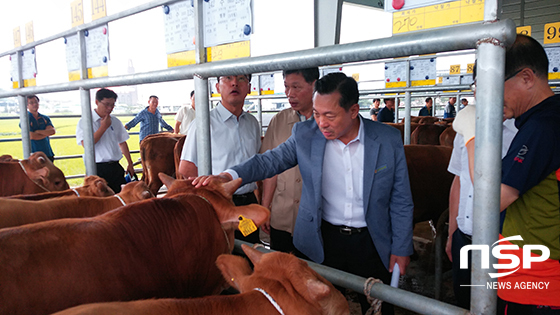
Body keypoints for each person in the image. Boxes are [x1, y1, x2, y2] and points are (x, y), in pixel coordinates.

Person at [192, 73, 414, 315]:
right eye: (317, 114)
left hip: (372, 240)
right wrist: (228, 176)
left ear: (353, 111)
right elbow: (269, 161)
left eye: (329, 115)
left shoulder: (387, 139)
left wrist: (401, 247)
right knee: (314, 307)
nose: (321, 123)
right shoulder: (305, 134)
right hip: (323, 239)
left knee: (379, 305)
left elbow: (401, 199)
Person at [453, 34, 560, 314]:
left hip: (537, 283)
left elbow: (493, 198)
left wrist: (472, 135)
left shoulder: (543, 127)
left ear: (526, 78)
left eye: (492, 87)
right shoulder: (540, 121)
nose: (486, 98)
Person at [178, 74, 262, 244]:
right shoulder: (203, 124)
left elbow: (258, 165)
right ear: (217, 87)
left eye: (241, 79)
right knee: (222, 256)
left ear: (249, 87)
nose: (234, 83)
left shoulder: (252, 123)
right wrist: (212, 191)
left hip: (247, 202)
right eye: (228, 78)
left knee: (250, 253)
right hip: (218, 203)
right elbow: (186, 168)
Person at [260, 67, 318, 256]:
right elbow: (270, 169)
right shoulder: (279, 120)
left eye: (296, 87)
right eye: (286, 87)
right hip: (282, 215)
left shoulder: (327, 121)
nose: (289, 94)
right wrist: (265, 208)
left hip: (316, 219)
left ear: (314, 85)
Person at [76, 88, 136, 194]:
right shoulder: (85, 122)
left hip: (115, 166)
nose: (109, 108)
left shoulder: (115, 121)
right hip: (97, 168)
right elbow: (86, 144)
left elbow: (122, 142)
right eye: (106, 104)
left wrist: (130, 163)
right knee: (100, 200)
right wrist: (103, 127)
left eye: (112, 105)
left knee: (120, 197)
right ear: (96, 102)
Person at [23, 95, 56, 162]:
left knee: (49, 172)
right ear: (27, 105)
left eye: (36, 102)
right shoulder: (25, 119)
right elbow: (31, 136)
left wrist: (37, 131)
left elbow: (52, 131)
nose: (34, 104)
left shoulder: (45, 118)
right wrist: (45, 133)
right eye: (31, 103)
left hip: (47, 153)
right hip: (33, 154)